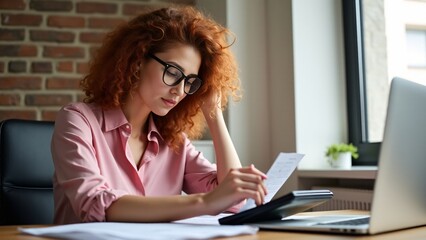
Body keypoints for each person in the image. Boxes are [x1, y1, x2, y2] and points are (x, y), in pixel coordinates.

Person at [51, 6, 267, 224]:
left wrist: (214, 113)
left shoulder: (174, 140)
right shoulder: (78, 120)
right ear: (136, 61)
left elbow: (233, 200)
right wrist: (205, 202)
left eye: (190, 81)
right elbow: (96, 204)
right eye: (173, 72)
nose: (180, 90)